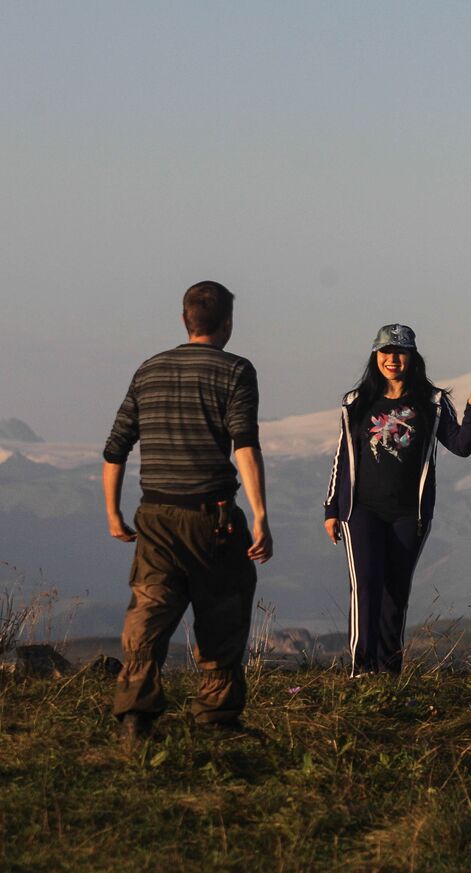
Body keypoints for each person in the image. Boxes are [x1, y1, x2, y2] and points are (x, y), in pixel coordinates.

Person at [102, 281, 273, 744]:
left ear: (184, 320)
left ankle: (136, 716)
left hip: (154, 514)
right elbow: (245, 445)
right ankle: (218, 719)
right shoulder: (236, 371)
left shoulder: (149, 369)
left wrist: (115, 514)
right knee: (222, 611)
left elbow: (115, 449)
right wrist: (259, 514)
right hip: (211, 517)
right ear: (228, 323)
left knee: (150, 611)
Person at [323, 324, 471, 675]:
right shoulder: (356, 403)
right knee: (366, 587)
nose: (392, 358)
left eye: (399, 352)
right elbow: (343, 456)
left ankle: (389, 672)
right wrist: (331, 509)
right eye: (385, 351)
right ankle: (362, 670)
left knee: (394, 594)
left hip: (408, 515)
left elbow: (461, 446)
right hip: (360, 510)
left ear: (412, 357)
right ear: (375, 356)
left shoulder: (431, 403)